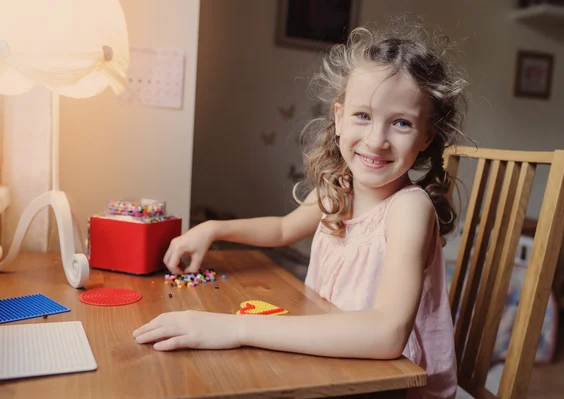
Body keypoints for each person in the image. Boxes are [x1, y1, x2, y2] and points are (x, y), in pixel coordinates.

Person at [133, 16, 468, 399]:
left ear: (427, 136)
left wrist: (234, 329)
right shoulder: (341, 188)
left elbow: (386, 334)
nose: (377, 140)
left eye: (401, 123)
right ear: (339, 118)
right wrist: (212, 229)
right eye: (363, 115)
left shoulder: (410, 209)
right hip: (333, 363)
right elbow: (281, 229)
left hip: (389, 384)